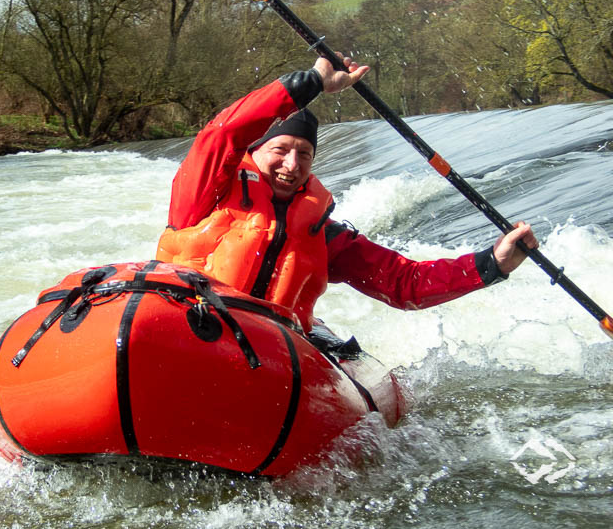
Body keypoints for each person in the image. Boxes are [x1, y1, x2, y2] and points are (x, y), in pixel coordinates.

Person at [155, 54, 539, 358]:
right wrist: (312, 83)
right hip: (191, 332)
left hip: (266, 356)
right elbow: (222, 133)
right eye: (280, 150)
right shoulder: (206, 195)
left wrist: (493, 263)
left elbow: (403, 283)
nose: (292, 165)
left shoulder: (322, 233)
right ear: (255, 153)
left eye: (304, 154)